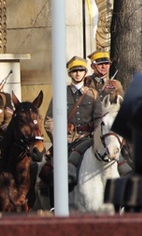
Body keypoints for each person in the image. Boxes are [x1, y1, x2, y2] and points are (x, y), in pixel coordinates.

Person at [41, 56, 101, 188]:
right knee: (52, 171)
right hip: (66, 140)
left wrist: (96, 136)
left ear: (85, 72)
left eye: (81, 70)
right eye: (74, 71)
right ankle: (53, 206)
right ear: (69, 74)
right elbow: (49, 120)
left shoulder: (93, 94)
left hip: (87, 139)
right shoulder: (60, 93)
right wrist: (58, 139)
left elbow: (98, 118)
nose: (78, 73)